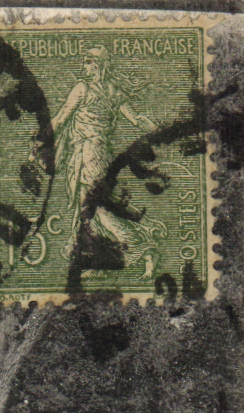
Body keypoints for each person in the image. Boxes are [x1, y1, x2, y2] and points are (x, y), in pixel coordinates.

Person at [52, 45, 162, 276]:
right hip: (102, 156)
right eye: (84, 62)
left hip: (89, 154)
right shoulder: (114, 91)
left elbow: (61, 118)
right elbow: (136, 119)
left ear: (100, 65)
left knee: (95, 208)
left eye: (89, 63)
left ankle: (141, 247)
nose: (85, 67)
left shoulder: (82, 89)